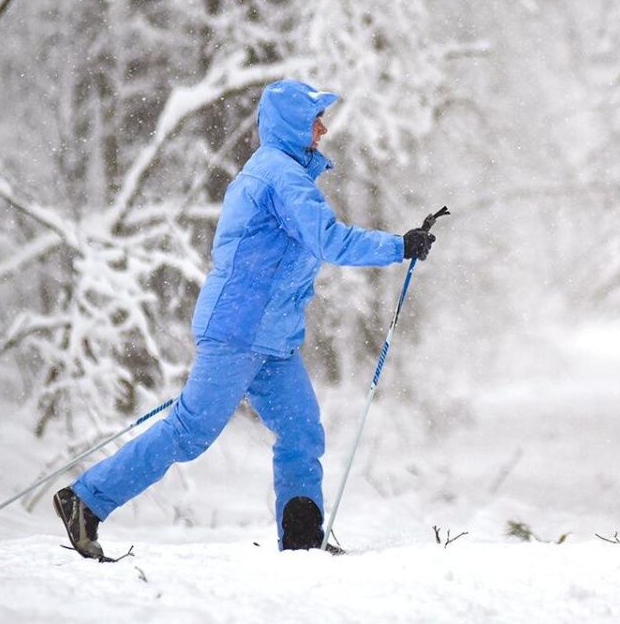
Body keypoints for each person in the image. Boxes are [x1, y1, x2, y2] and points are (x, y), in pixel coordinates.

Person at [53, 79, 437, 558]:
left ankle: (301, 542)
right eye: (314, 118)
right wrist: (398, 246)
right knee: (189, 432)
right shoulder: (279, 177)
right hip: (238, 331)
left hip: (272, 340)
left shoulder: (281, 173)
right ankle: (85, 501)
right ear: (293, 125)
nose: (322, 128)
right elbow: (328, 240)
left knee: (301, 432)